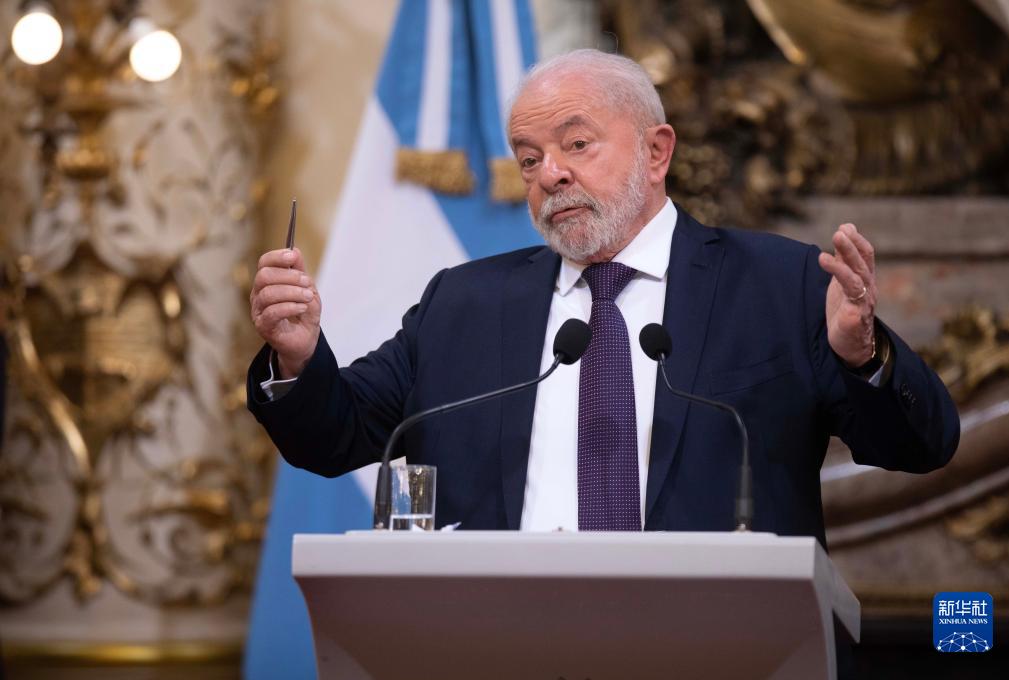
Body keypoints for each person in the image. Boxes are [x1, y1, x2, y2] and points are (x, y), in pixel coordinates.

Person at [247, 49, 958, 546]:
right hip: (500, 645)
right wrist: (297, 359)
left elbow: (922, 446)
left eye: (576, 145)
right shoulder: (462, 305)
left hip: (718, 648)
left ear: (657, 152)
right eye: (529, 159)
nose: (549, 175)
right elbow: (334, 437)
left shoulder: (780, 285)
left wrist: (863, 358)